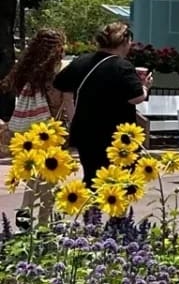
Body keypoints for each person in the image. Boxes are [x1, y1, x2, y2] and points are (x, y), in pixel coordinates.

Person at [51, 22, 148, 181]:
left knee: (91, 176)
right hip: (116, 135)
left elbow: (61, 85)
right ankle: (110, 206)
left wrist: (72, 114)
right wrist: (145, 87)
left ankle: (91, 205)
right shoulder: (122, 66)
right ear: (124, 42)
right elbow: (136, 97)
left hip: (85, 131)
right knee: (119, 180)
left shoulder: (81, 61)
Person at [1, 29, 71, 220]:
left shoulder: (27, 72)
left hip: (27, 133)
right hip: (50, 131)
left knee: (33, 176)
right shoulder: (58, 73)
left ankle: (26, 212)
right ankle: (42, 222)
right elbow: (61, 102)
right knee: (49, 178)